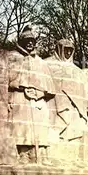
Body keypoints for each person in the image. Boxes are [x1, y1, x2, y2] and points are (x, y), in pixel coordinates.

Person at [7, 26, 55, 165]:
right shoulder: (13, 57)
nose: (30, 43)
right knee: (22, 125)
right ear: (21, 41)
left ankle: (41, 154)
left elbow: (50, 86)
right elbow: (7, 79)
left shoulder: (41, 62)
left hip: (39, 99)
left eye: (32, 40)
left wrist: (40, 93)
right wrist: (22, 86)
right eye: (27, 40)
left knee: (41, 125)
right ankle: (23, 153)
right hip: (20, 95)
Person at [45, 39, 88, 142]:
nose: (68, 53)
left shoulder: (77, 71)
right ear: (59, 49)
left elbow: (85, 90)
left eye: (70, 50)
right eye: (65, 50)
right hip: (55, 103)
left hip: (75, 106)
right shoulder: (47, 63)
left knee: (74, 131)